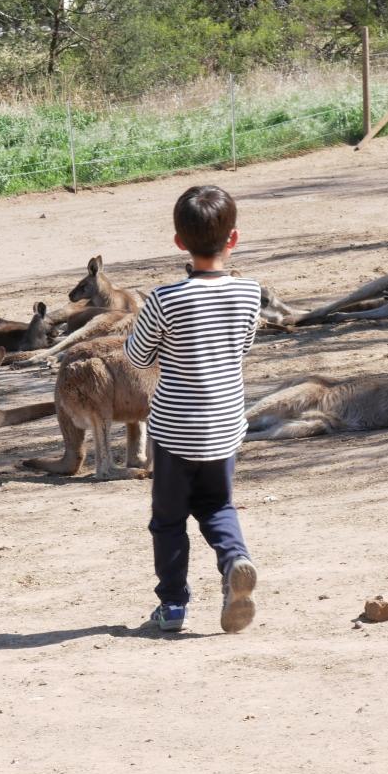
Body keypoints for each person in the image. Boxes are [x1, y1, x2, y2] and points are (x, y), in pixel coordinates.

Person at [124, 184, 262, 633]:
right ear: (233, 238)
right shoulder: (250, 293)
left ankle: (173, 606)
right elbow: (243, 347)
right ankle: (235, 560)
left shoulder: (164, 299)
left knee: (168, 521)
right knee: (218, 506)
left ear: (179, 241)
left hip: (174, 431)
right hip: (224, 427)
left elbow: (138, 357)